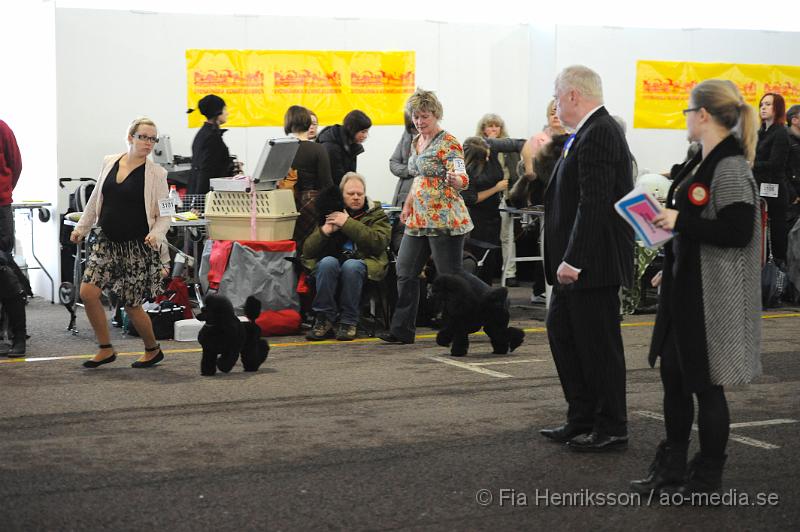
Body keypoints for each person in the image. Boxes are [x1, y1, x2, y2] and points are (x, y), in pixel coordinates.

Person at [631, 79, 761, 495]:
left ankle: (707, 477)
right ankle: (672, 467)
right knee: (673, 376)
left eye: (688, 111)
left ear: (703, 114)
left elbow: (739, 231)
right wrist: (666, 260)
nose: (685, 119)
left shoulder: (731, 167)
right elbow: (690, 222)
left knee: (706, 386)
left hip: (710, 295)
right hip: (683, 284)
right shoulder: (697, 161)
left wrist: (677, 223)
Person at [539, 65, 634, 452]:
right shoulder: (584, 134)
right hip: (574, 265)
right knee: (564, 336)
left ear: (574, 95)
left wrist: (575, 259)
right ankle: (581, 417)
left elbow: (595, 202)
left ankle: (611, 425)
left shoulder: (601, 132)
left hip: (590, 266)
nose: (556, 105)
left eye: (558, 97)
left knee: (598, 347)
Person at [378, 88, 492, 345]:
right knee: (405, 270)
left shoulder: (448, 142)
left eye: (424, 116)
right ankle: (402, 330)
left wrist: (457, 180)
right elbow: (418, 177)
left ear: (436, 114)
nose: (419, 121)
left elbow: (462, 177)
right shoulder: (415, 140)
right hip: (418, 217)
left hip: (444, 218)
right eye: (416, 116)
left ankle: (492, 300)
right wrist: (407, 204)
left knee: (451, 275)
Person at [70, 118, 171, 369]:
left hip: (136, 245)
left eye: (152, 139)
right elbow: (96, 198)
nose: (148, 143)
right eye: (144, 137)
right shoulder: (109, 162)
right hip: (106, 240)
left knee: (131, 304)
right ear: (130, 137)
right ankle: (105, 348)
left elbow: (165, 215)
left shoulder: (157, 174)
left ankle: (152, 349)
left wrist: (157, 234)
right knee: (87, 293)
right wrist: (82, 226)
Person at [302, 172, 391, 341]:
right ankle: (324, 319)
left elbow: (379, 242)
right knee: (327, 263)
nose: (356, 197)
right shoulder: (330, 212)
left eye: (360, 193)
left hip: (366, 263)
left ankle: (349, 321)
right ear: (342, 195)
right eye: (351, 194)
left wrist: (347, 223)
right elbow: (307, 251)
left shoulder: (376, 213)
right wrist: (325, 231)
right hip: (334, 263)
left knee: (351, 266)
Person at [461, 135, 524, 284]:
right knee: (480, 258)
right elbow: (470, 198)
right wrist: (495, 188)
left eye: (489, 153)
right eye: (485, 156)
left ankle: (486, 289)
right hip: (476, 217)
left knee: (491, 257)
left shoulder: (490, 146)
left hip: (494, 213)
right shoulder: (466, 170)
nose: (489, 157)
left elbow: (519, 143)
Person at [476, 114, 522, 286]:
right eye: (490, 126)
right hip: (487, 198)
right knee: (487, 236)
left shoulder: (509, 149)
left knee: (507, 237)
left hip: (507, 196)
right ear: (483, 129)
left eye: (497, 126)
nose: (494, 129)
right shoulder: (478, 148)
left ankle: (510, 273)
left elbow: (517, 172)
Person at [282, 105, 333, 245]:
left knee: (289, 244)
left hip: (284, 204)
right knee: (309, 247)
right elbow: (327, 185)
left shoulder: (280, 148)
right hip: (310, 204)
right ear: (307, 122)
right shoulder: (318, 149)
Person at [0, 119, 29, 357]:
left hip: (0, 208)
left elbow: (15, 165)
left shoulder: (1, 128)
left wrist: (5, 192)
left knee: (4, 272)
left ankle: (18, 336)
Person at [753, 93, 790, 263]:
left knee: (776, 235)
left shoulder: (781, 132)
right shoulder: (760, 132)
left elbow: (776, 164)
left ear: (777, 109)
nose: (763, 107)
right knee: (760, 232)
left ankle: (778, 274)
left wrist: (752, 164)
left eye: (768, 104)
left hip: (774, 189)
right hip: (759, 188)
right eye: (762, 104)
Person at [187, 94, 236, 205]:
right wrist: (199, 204)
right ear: (217, 112)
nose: (227, 113)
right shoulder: (211, 137)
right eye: (224, 109)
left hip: (201, 194)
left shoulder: (204, 134)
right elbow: (205, 170)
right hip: (208, 198)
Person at [388, 111, 419, 253]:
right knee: (398, 236)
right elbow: (393, 163)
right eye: (411, 126)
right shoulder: (406, 135)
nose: (415, 128)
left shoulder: (437, 139)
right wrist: (410, 171)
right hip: (402, 198)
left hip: (422, 201)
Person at [316, 110, 371, 187]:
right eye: (363, 132)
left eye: (367, 132)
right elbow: (335, 179)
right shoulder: (331, 147)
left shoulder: (352, 146)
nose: (365, 136)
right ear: (352, 129)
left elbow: (350, 175)